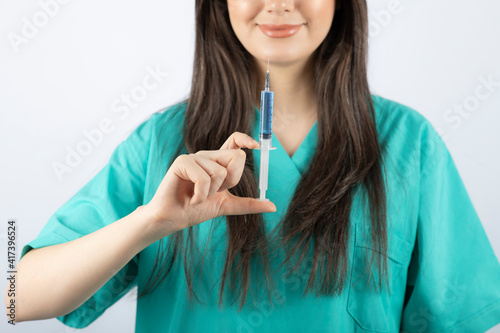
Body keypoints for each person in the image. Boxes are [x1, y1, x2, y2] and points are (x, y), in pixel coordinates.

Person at [7, 0, 500, 332]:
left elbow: (459, 314)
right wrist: (149, 223)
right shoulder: (160, 145)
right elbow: (14, 294)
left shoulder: (408, 143)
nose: (280, 3)